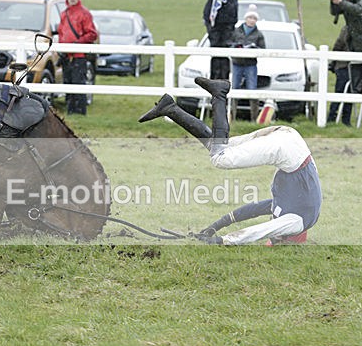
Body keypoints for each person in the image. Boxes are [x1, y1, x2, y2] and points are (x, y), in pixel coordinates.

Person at [138, 77, 321, 245]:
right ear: (288, 238)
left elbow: (253, 210)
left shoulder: (292, 210)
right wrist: (223, 240)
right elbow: (259, 231)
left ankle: (170, 108)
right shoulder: (297, 223)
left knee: (220, 145)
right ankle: (219, 93)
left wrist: (214, 227)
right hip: (286, 151)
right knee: (220, 159)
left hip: (290, 139)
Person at [202, 0, 242, 81]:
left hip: (228, 16)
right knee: (214, 48)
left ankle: (224, 81)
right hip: (213, 16)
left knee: (225, 48)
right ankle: (213, 79)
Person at [58, 0, 97, 115]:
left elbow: (92, 34)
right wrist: (60, 49)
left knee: (78, 83)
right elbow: (61, 33)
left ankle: (80, 112)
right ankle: (70, 110)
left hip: (79, 56)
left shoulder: (84, 13)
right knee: (67, 83)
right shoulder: (64, 14)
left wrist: (77, 43)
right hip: (66, 56)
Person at [229, 5, 265, 121]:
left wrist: (254, 49)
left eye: (254, 19)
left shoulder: (259, 34)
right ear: (246, 19)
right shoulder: (236, 31)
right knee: (234, 89)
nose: (252, 20)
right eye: (250, 18)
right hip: (237, 64)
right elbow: (229, 44)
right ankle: (232, 117)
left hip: (250, 65)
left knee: (252, 90)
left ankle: (254, 119)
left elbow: (263, 49)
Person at [327, 25, 352, 125]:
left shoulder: (347, 28)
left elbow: (338, 45)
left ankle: (335, 117)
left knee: (342, 92)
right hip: (346, 66)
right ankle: (338, 118)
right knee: (344, 92)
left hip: (343, 66)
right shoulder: (350, 28)